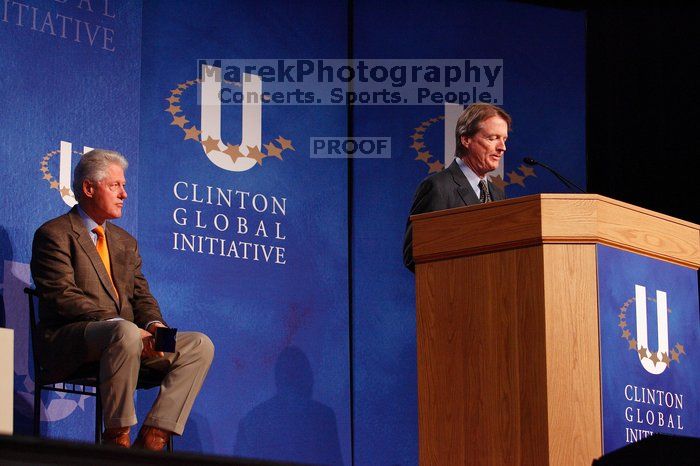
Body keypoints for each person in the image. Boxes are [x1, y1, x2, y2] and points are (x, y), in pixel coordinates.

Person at [31, 149, 214, 450]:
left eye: (124, 186)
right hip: (73, 340)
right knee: (126, 332)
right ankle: (117, 438)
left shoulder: (125, 242)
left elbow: (142, 296)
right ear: (89, 188)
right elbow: (61, 297)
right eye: (115, 185)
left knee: (199, 345)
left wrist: (154, 326)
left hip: (128, 340)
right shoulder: (55, 234)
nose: (124, 194)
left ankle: (153, 437)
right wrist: (120, 324)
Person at [403, 103, 511, 272]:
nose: (502, 147)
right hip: (454, 293)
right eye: (492, 138)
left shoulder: (497, 193)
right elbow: (414, 255)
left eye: (504, 139)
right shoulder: (438, 187)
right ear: (466, 139)